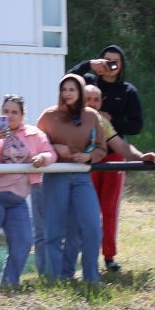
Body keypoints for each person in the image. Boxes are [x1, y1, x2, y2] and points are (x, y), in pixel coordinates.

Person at [0, 94, 55, 289]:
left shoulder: (34, 134)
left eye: (15, 112)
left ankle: (9, 283)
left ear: (23, 115)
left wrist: (41, 159)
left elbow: (50, 153)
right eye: (6, 111)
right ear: (0, 113)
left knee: (23, 241)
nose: (10, 115)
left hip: (17, 198)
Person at [70, 44, 143, 271]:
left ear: (121, 66)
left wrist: (110, 119)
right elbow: (68, 81)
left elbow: (136, 125)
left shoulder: (128, 91)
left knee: (109, 209)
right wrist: (89, 65)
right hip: (87, 155)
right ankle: (82, 254)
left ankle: (109, 256)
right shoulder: (89, 83)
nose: (110, 65)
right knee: (84, 209)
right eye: (106, 60)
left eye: (115, 62)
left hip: (114, 155)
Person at [35, 74, 106, 283]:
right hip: (56, 177)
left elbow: (102, 147)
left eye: (72, 90)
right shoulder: (48, 116)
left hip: (82, 176)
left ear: (81, 92)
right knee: (54, 229)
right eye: (64, 89)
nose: (67, 94)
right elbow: (37, 145)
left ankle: (91, 277)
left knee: (92, 226)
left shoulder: (91, 116)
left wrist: (89, 156)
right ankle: (54, 278)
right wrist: (55, 149)